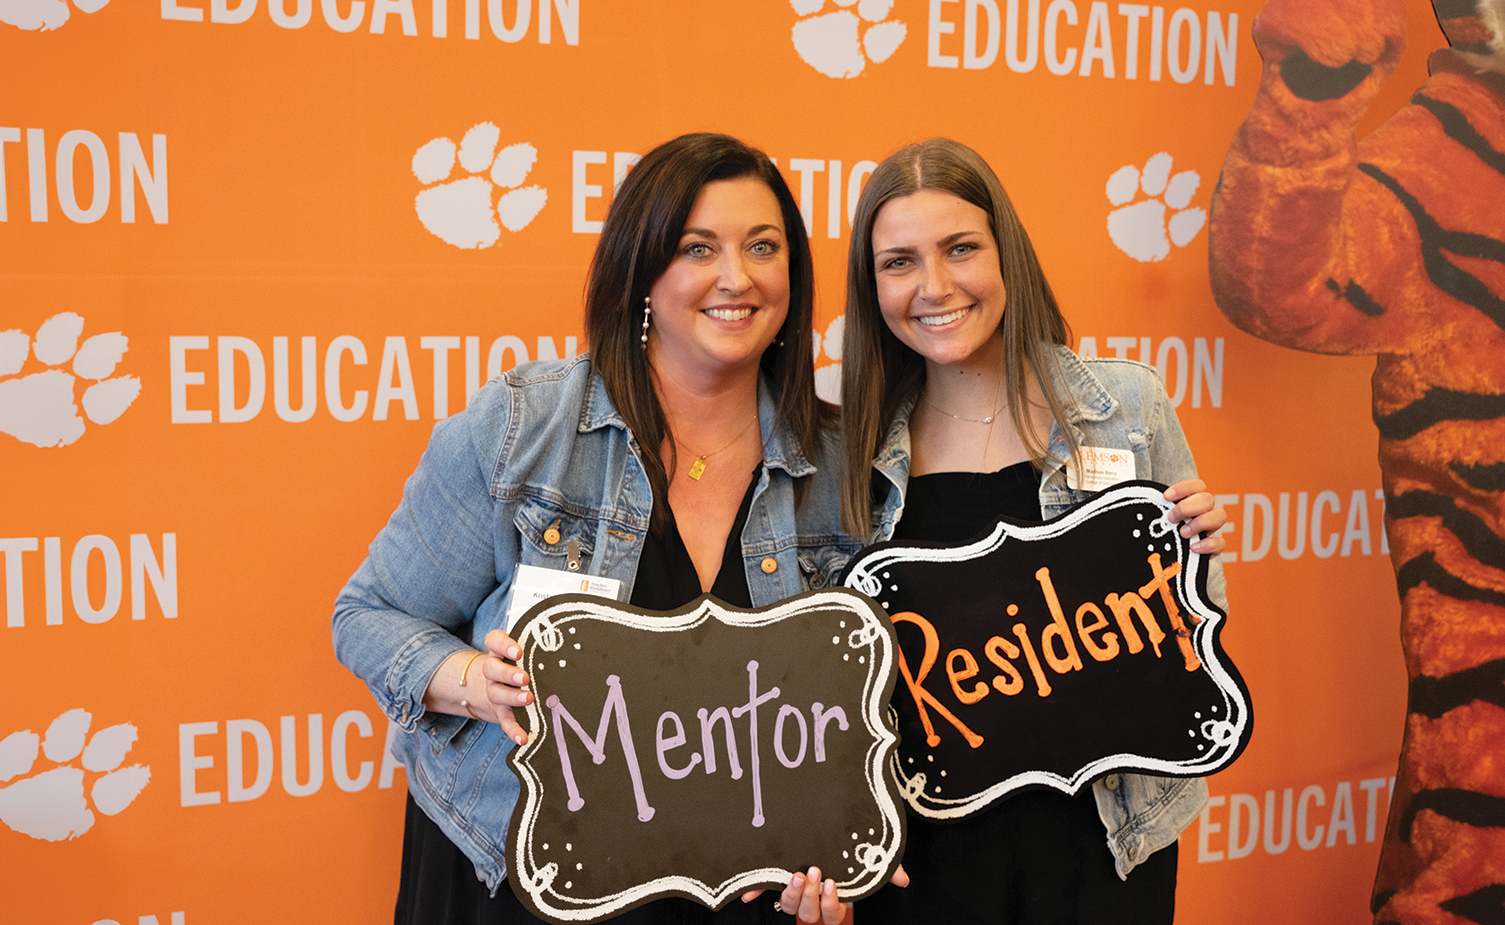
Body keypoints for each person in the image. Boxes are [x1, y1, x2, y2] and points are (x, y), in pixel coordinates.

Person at [332, 132, 871, 924]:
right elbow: (366, 616)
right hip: (521, 875)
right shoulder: (526, 426)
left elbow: (847, 714)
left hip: (732, 890)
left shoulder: (841, 465)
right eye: (698, 247)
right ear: (641, 270)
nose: (738, 276)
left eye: (764, 245)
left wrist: (838, 860)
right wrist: (475, 686)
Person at [830, 138, 1230, 924]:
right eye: (899, 261)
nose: (934, 286)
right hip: (926, 854)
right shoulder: (848, 446)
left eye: (959, 249)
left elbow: (1199, 620)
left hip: (1106, 834)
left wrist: (1191, 555)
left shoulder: (1125, 405)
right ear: (870, 284)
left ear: (1004, 253)